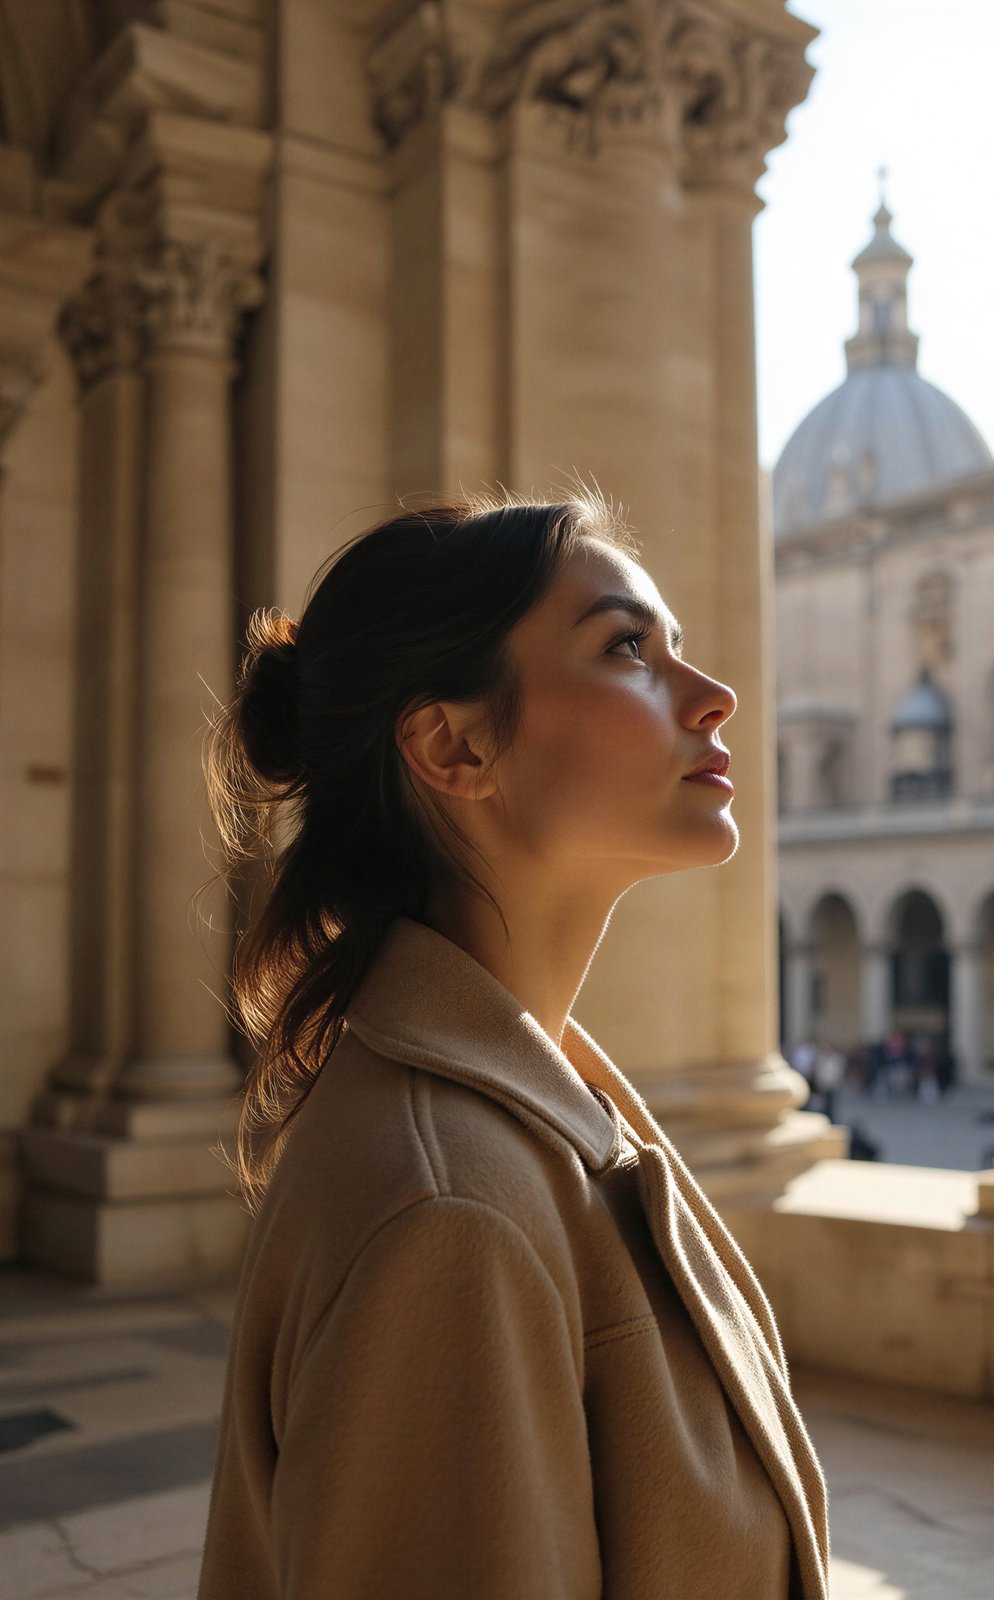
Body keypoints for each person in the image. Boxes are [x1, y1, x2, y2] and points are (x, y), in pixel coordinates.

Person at [196, 491, 830, 1599]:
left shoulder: (521, 1113)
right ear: (456, 744)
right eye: (629, 647)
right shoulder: (451, 1214)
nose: (716, 695)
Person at [811, 1040, 846, 1124]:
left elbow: (838, 1073)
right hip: (822, 1087)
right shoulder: (820, 1058)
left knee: (832, 1107)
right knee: (821, 1107)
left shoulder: (836, 1059)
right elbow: (817, 1071)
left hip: (832, 1086)